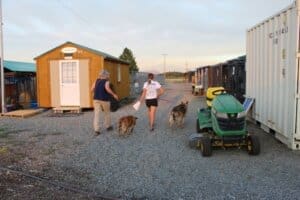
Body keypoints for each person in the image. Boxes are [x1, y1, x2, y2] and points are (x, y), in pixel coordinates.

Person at [91, 69, 119, 135]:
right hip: (104, 99)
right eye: (108, 75)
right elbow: (107, 89)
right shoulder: (106, 81)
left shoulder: (96, 81)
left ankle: (96, 130)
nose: (109, 76)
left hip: (96, 100)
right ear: (106, 75)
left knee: (97, 114)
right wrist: (114, 94)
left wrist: (95, 94)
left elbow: (91, 89)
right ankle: (108, 126)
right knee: (107, 113)